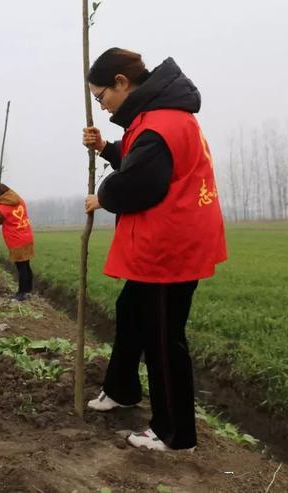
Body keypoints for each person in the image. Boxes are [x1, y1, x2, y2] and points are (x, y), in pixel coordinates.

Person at [81, 48, 226, 451]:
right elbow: (142, 160)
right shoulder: (161, 118)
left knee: (164, 339)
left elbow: (136, 184)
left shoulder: (159, 123)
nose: (102, 104)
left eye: (101, 95)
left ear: (122, 83)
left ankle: (173, 432)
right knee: (131, 312)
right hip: (170, 243)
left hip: (169, 251)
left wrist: (103, 195)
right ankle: (122, 388)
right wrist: (108, 149)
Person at [0, 184, 34, 301]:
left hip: (16, 239)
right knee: (26, 265)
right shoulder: (20, 200)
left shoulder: (2, 207)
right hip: (27, 236)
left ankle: (21, 293)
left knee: (21, 267)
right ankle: (28, 289)